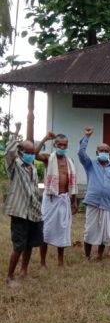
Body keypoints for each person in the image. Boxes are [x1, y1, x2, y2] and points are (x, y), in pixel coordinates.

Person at [4, 122, 44, 286]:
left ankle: (24, 272)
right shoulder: (14, 166)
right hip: (19, 211)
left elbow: (34, 189)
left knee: (30, 243)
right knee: (19, 245)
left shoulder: (33, 168)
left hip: (33, 211)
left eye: (33, 153)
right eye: (28, 153)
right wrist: (16, 132)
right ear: (20, 153)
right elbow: (9, 152)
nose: (31, 155)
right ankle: (10, 277)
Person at [78, 127, 110, 261]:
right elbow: (81, 153)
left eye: (106, 151)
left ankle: (99, 255)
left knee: (105, 232)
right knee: (90, 230)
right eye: (101, 151)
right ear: (97, 152)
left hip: (108, 204)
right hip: (93, 202)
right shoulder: (90, 164)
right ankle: (87, 256)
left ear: (109, 153)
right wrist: (86, 137)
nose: (104, 152)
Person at [35, 131, 78, 267]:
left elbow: (72, 183)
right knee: (45, 230)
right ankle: (43, 262)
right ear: (55, 145)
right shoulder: (49, 158)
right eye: (59, 145)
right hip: (51, 199)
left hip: (64, 198)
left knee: (63, 230)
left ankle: (60, 261)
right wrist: (45, 138)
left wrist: (74, 201)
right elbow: (35, 154)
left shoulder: (69, 161)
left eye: (64, 145)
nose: (62, 147)